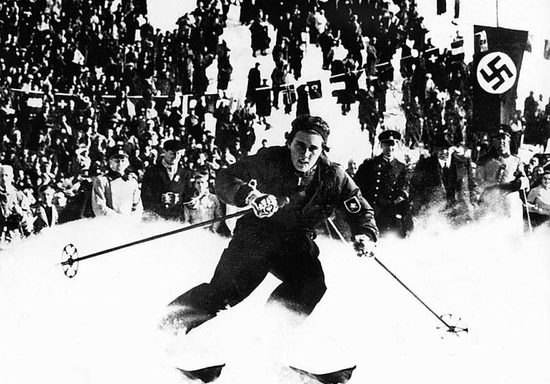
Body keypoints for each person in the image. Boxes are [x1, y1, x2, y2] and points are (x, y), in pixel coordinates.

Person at [161, 116, 378, 334]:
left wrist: (365, 234)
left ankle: (270, 338)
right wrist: (251, 196)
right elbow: (226, 178)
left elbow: (360, 210)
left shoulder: (333, 176)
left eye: (313, 148)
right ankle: (168, 327)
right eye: (299, 146)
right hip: (256, 236)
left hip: (295, 242)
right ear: (289, 142)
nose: (305, 154)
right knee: (226, 292)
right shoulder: (270, 159)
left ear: (322, 150)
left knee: (311, 285)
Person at [354, 130, 412, 237]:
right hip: (373, 211)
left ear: (396, 146)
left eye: (392, 145)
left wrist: (402, 195)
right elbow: (357, 185)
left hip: (391, 213)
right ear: (381, 145)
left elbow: (405, 187)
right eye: (386, 145)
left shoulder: (401, 167)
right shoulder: (370, 164)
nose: (390, 148)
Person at [476, 127, 529, 226]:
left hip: (509, 200)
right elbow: (478, 181)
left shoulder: (516, 160)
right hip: (491, 200)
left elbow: (525, 180)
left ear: (509, 140)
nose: (501, 142)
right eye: (498, 139)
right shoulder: (484, 160)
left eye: (504, 139)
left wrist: (519, 182)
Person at [141, 139, 192, 221]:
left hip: (176, 217)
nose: (175, 157)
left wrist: (189, 201)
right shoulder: (152, 171)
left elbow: (187, 195)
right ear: (164, 152)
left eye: (178, 153)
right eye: (172, 154)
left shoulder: (185, 173)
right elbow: (145, 196)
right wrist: (160, 199)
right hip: (157, 217)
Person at [91, 147, 143, 219]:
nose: (120, 164)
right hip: (109, 223)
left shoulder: (132, 182)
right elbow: (99, 207)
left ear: (127, 163)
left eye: (123, 160)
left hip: (129, 223)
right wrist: (118, 219)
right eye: (117, 161)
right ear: (110, 162)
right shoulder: (102, 181)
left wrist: (133, 219)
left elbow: (137, 206)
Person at [183, 169, 225, 234]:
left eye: (202, 182)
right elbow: (186, 219)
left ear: (207, 184)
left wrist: (213, 229)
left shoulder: (213, 198)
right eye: (198, 183)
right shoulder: (190, 199)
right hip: (194, 231)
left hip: (209, 230)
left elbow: (218, 216)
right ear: (195, 185)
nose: (200, 185)